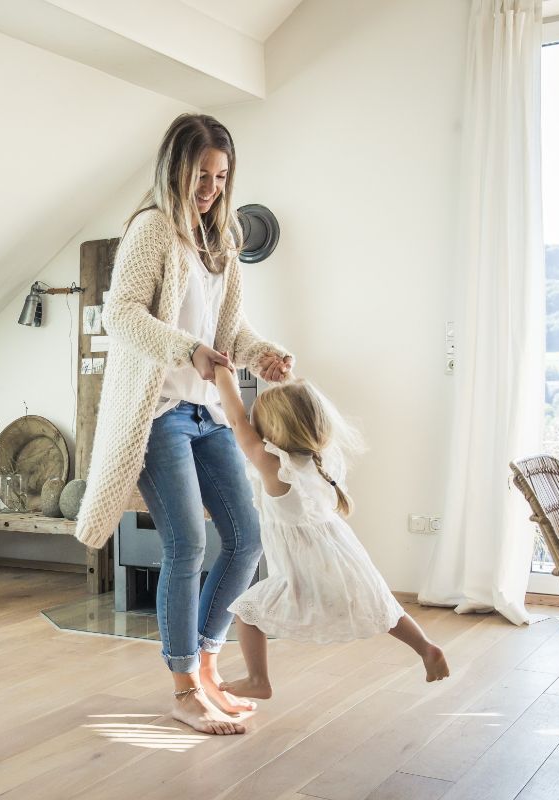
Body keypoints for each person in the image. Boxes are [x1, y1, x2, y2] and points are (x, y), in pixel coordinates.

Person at [74, 113, 293, 736]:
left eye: (221, 177)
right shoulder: (151, 230)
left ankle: (207, 666)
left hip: (210, 412)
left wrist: (262, 354)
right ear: (175, 169)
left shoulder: (222, 240)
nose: (211, 189)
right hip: (159, 413)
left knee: (246, 539)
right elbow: (120, 315)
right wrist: (186, 350)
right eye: (201, 175)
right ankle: (183, 688)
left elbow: (229, 331)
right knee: (187, 545)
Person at [213, 366, 450, 699]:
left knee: (246, 612)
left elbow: (237, 422)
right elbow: (294, 408)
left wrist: (222, 373)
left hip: (303, 570)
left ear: (272, 429)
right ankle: (426, 647)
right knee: (380, 605)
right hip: (342, 559)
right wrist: (284, 379)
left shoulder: (274, 466)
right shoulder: (321, 458)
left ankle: (258, 680)